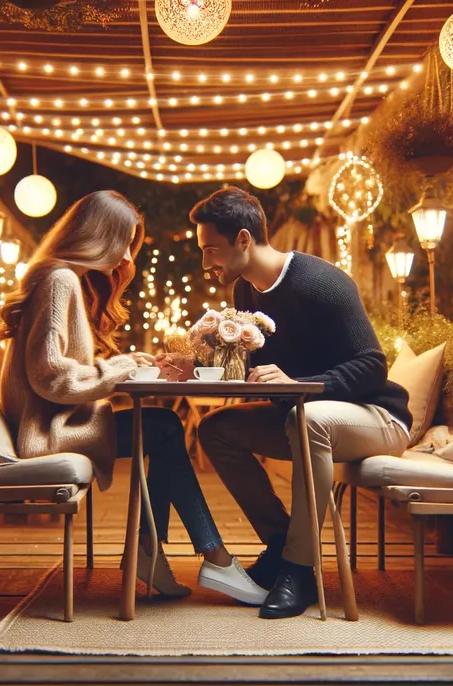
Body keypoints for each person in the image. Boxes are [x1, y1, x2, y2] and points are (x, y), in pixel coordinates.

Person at [0, 190, 267, 605]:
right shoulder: (60, 280)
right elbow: (50, 377)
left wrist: (126, 363)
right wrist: (122, 368)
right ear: (99, 235)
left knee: (161, 428)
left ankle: (154, 553)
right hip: (46, 432)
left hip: (56, 423)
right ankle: (209, 555)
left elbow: (57, 373)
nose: (126, 256)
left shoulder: (60, 278)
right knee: (162, 429)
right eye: (124, 241)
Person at [159, 186, 412, 619]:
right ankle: (281, 542)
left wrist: (300, 384)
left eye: (211, 250)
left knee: (304, 416)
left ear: (243, 239)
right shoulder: (245, 294)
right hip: (303, 415)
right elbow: (255, 368)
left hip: (377, 418)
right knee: (216, 429)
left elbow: (372, 366)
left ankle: (300, 567)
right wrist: (198, 367)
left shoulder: (321, 282)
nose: (207, 262)